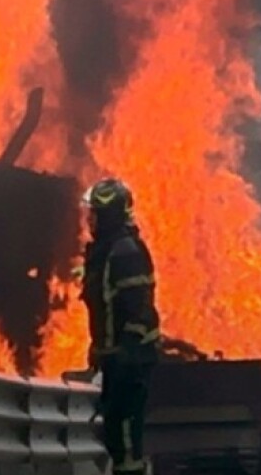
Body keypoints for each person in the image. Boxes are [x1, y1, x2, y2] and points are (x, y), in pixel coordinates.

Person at [78, 178, 160, 475]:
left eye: (95, 214)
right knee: (115, 434)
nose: (90, 221)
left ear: (110, 215)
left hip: (130, 362)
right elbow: (106, 311)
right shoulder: (106, 252)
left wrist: (126, 355)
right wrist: (98, 352)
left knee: (125, 438)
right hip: (116, 360)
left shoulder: (124, 253)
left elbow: (139, 311)